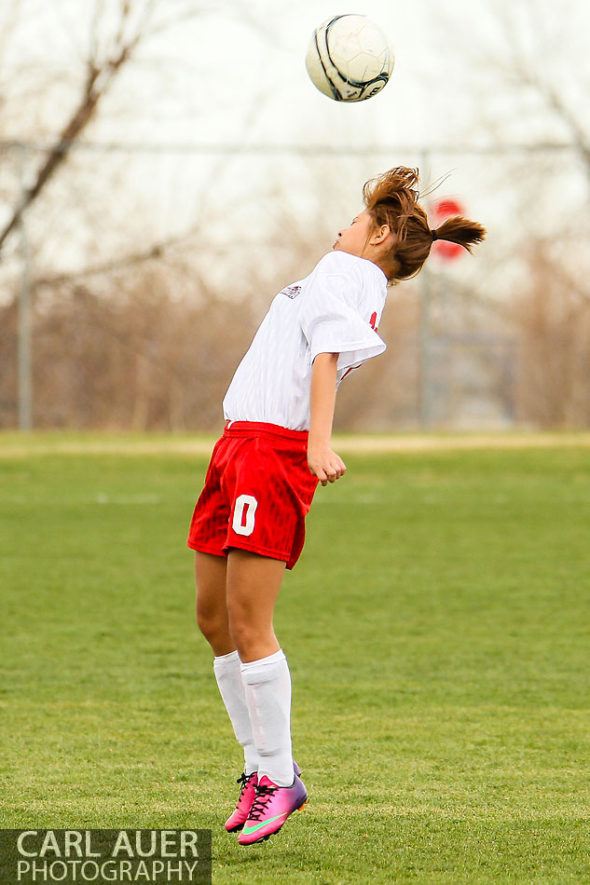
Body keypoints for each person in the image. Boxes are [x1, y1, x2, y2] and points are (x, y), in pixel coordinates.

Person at [187, 166, 485, 846]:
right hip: (237, 446)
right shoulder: (348, 275)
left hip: (272, 452)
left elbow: (326, 355)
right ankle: (263, 767)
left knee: (247, 621)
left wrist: (319, 442)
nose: (339, 230)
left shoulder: (348, 273)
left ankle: (275, 778)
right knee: (212, 618)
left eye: (353, 223)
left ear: (378, 236)